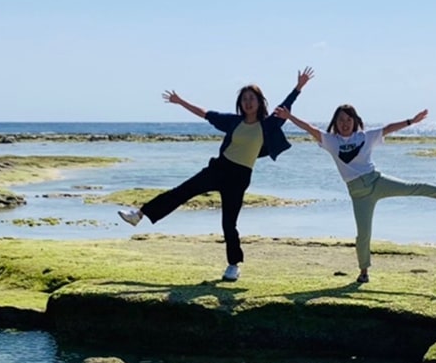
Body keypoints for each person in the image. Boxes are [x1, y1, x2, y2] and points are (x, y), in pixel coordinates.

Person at [118, 67, 315, 281]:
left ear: (259, 102)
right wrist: (180, 101)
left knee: (229, 223)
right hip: (219, 168)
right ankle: (139, 215)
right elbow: (206, 114)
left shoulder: (269, 124)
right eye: (244, 99)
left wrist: (299, 86)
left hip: (240, 177)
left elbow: (286, 104)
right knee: (182, 192)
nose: (248, 102)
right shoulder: (233, 121)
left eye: (252, 98)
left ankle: (233, 265)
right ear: (240, 104)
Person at [276, 103, 436, 283]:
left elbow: (388, 128)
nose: (345, 123)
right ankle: (363, 271)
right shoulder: (331, 141)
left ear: (355, 121)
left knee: (411, 187)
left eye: (348, 119)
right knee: (363, 234)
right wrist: (289, 117)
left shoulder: (365, 136)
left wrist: (411, 121)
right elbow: (309, 128)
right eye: (341, 120)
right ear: (335, 122)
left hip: (376, 181)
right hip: (359, 195)